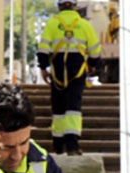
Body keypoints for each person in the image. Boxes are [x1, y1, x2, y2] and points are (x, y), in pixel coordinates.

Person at [37, 0, 101, 156]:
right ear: (75, 6)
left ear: (59, 6)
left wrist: (43, 68)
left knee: (58, 106)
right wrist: (92, 64)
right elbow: (95, 49)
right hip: (77, 70)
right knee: (73, 106)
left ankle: (58, 145)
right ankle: (72, 146)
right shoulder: (84, 24)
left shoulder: (52, 23)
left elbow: (43, 49)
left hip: (58, 70)